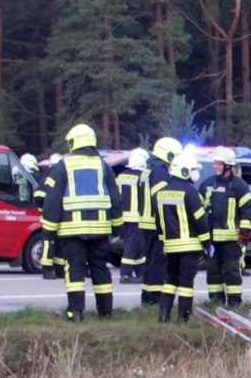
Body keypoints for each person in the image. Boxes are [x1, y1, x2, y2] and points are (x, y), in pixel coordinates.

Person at [41, 124, 124, 321]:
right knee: (100, 270)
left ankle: (75, 312)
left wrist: (49, 232)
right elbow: (116, 199)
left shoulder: (63, 166)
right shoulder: (103, 166)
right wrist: (117, 227)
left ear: (73, 143)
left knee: (75, 271)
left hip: (72, 230)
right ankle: (105, 312)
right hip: (100, 230)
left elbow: (52, 202)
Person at [155, 153, 210, 323]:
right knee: (186, 284)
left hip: (171, 245)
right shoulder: (190, 192)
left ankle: (163, 316)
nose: (195, 174)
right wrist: (206, 243)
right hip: (190, 245)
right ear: (185, 171)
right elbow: (200, 220)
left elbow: (158, 221)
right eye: (193, 170)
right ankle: (183, 318)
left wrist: (164, 241)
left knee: (170, 281)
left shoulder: (161, 193)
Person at [200, 148, 251, 307]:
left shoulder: (239, 185)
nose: (216, 166)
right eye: (215, 163)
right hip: (210, 239)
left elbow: (247, 209)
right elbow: (197, 209)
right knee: (213, 272)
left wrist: (245, 231)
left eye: (219, 163)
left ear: (228, 166)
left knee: (232, 271)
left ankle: (234, 302)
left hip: (231, 238)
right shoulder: (207, 184)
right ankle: (215, 301)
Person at [139, 138, 182, 305]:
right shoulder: (161, 173)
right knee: (159, 262)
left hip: (145, 222)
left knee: (150, 262)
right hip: (156, 224)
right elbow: (161, 200)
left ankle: (147, 296)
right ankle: (155, 298)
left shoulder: (148, 170)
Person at [115, 148, 148, 284]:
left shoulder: (121, 176)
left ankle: (140, 273)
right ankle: (125, 274)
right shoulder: (143, 176)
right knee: (132, 245)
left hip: (124, 216)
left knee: (136, 246)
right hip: (137, 217)